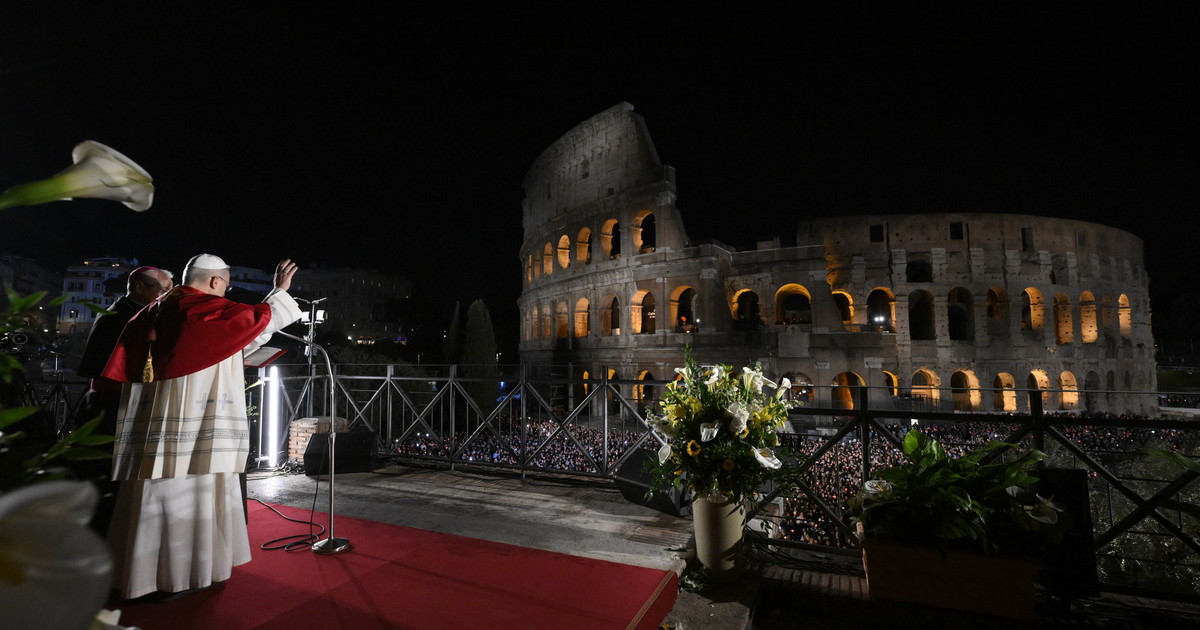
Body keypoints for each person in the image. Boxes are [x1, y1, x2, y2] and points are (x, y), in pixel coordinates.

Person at [101, 254, 301, 600]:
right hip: (194, 423)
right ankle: (183, 575)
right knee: (189, 489)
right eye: (226, 283)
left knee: (154, 490)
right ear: (213, 282)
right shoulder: (202, 309)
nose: (226, 291)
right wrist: (279, 291)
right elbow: (257, 319)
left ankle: (145, 574)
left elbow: (228, 341)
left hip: (158, 422)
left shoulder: (159, 309)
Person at [72, 265, 175, 536]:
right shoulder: (121, 317)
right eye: (162, 289)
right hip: (108, 405)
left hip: (117, 401)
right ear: (140, 287)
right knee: (105, 476)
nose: (166, 295)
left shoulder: (134, 313)